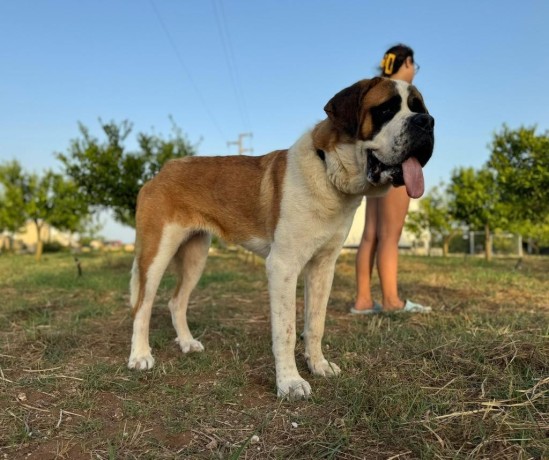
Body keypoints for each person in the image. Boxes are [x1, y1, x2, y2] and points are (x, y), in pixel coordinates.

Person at [351, 44, 432, 315]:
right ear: (407, 62)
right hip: (397, 159)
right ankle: (391, 301)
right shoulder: (403, 95)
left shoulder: (379, 92)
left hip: (374, 160)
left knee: (369, 235)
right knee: (390, 235)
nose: (414, 72)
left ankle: (362, 301)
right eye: (414, 66)